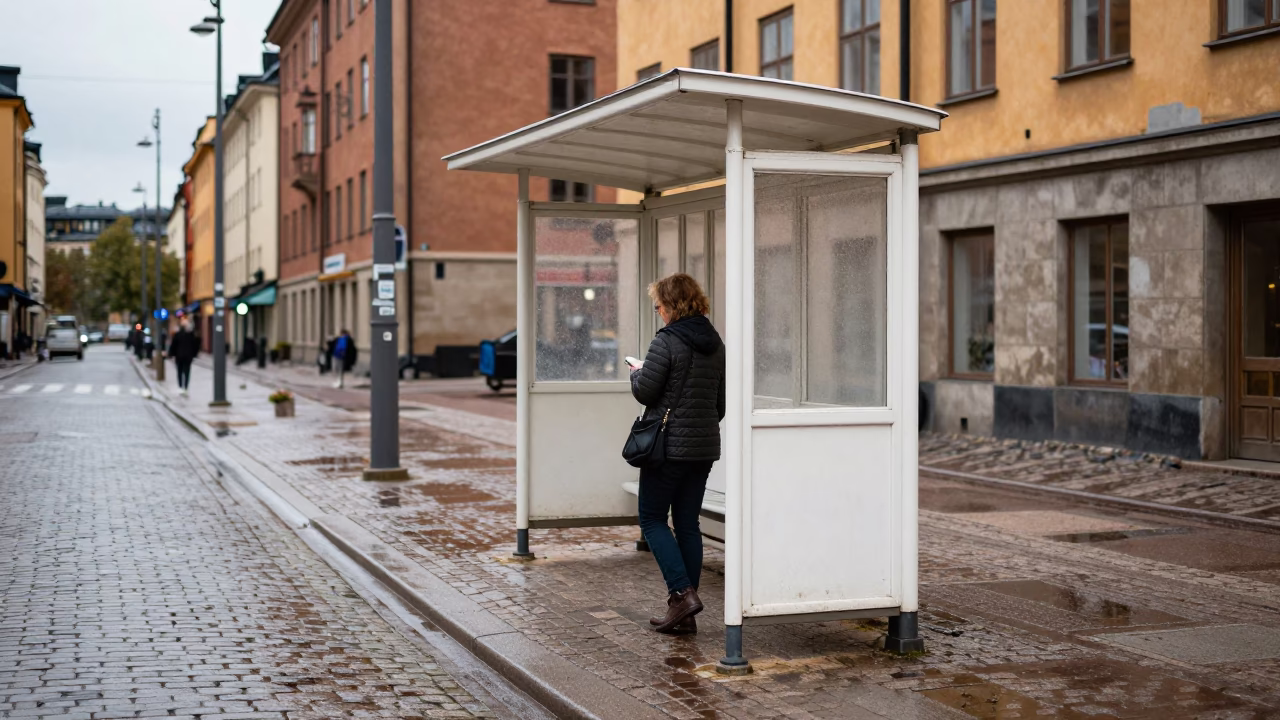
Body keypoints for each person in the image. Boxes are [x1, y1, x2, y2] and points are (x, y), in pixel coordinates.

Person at [628, 273, 725, 635]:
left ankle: (682, 594)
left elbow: (646, 392)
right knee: (687, 524)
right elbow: (720, 405)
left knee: (652, 519)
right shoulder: (715, 343)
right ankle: (685, 614)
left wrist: (636, 374)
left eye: (659, 306)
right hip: (703, 449)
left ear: (672, 305)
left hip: (667, 449)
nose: (658, 312)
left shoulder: (665, 341)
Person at [169, 321, 199, 396]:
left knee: (180, 372)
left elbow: (173, 345)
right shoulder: (191, 335)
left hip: (179, 356)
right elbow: (195, 346)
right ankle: (185, 387)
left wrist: (171, 354)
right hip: (187, 357)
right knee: (187, 372)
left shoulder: (178, 335)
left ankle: (180, 387)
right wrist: (194, 355)